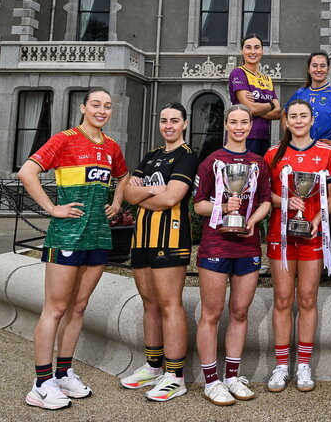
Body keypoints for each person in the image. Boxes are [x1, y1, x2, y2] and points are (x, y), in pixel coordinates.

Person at [18, 88, 128, 410]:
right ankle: (41, 383)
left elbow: (124, 176)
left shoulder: (111, 146)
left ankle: (64, 373)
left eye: (107, 106)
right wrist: (53, 208)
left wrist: (118, 200)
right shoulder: (65, 139)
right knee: (55, 308)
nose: (102, 110)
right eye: (96, 104)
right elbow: (27, 172)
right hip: (67, 236)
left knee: (79, 307)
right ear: (83, 107)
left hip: (98, 237)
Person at [192, 105, 272, 406]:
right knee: (211, 314)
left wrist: (252, 221)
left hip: (247, 245)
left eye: (244, 122)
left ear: (251, 126)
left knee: (240, 312)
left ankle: (232, 376)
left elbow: (266, 201)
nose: (239, 127)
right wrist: (224, 208)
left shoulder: (258, 163)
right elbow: (198, 204)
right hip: (216, 245)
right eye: (233, 122)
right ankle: (211, 381)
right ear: (226, 125)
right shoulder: (212, 161)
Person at [263, 99, 331, 393]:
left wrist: (317, 222)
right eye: (293, 116)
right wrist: (284, 201)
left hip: (312, 235)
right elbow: (265, 195)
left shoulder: (326, 153)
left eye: (303, 116)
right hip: (280, 236)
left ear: (312, 121)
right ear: (286, 121)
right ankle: (282, 365)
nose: (298, 121)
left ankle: (304, 365)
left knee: (308, 298)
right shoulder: (273, 153)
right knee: (283, 298)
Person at [120, 103, 198, 402]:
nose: (168, 125)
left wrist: (144, 194)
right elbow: (127, 192)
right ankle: (153, 366)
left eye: (174, 121)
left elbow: (173, 198)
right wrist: (154, 191)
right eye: (164, 120)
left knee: (169, 304)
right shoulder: (152, 155)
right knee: (149, 303)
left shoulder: (187, 156)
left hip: (171, 236)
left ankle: (175, 376)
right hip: (142, 238)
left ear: (184, 124)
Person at [228, 33, 281, 155]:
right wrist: (270, 105)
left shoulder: (267, 79)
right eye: (248, 47)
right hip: (244, 136)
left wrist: (257, 108)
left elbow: (278, 113)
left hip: (263, 137)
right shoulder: (238, 73)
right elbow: (250, 109)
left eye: (257, 47)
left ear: (262, 51)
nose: (253, 51)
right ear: (242, 51)